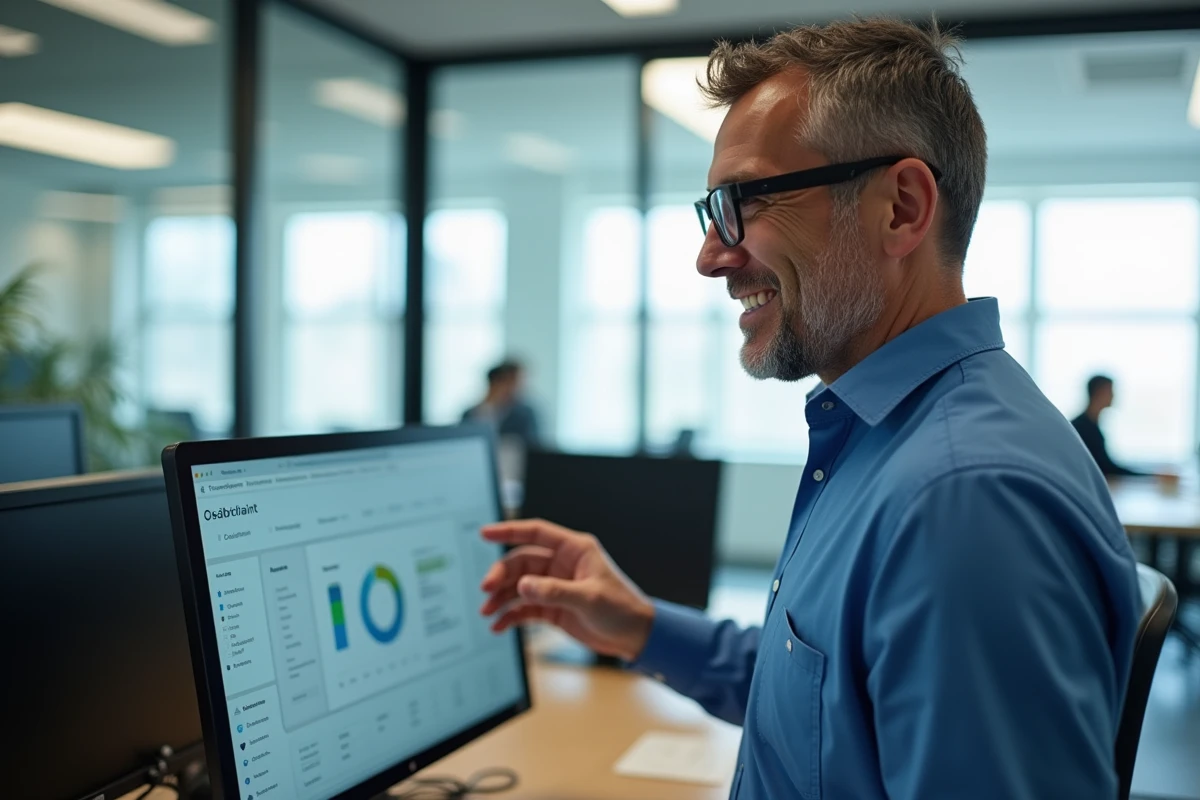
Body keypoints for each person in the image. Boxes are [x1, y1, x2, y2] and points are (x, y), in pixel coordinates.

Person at [478, 19, 1140, 800]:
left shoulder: (961, 499)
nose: (710, 255)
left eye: (744, 202)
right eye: (710, 211)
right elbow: (824, 697)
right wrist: (644, 626)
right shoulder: (883, 438)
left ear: (899, 208)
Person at [1072, 374, 1148, 478]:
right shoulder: (1083, 429)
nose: (1113, 396)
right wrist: (1150, 476)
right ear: (1099, 392)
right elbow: (1106, 468)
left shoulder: (1089, 426)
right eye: (1110, 391)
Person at [462, 360, 540, 449]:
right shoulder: (469, 413)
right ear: (497, 382)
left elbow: (533, 447)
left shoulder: (525, 414)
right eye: (514, 382)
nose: (520, 388)